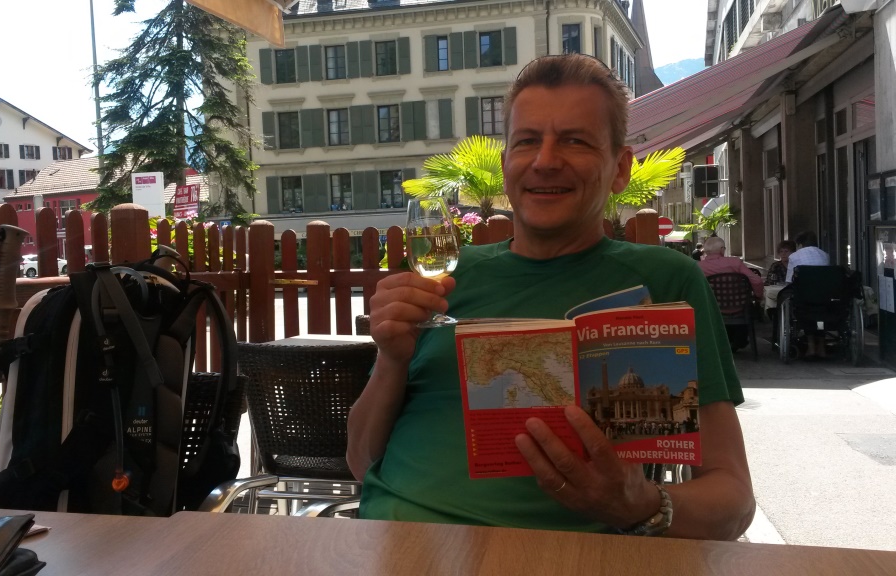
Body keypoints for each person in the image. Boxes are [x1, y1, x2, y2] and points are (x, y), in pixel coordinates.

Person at [347, 54, 755, 540]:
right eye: (526, 141)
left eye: (575, 140)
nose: (544, 161)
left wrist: (642, 504)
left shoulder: (665, 282)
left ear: (620, 168)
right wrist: (392, 360)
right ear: (506, 166)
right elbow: (360, 461)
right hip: (391, 544)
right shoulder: (444, 282)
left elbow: (733, 503)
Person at [697, 236, 764, 351]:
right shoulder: (735, 262)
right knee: (749, 307)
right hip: (740, 307)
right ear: (722, 249)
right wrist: (758, 297)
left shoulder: (699, 267)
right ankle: (739, 340)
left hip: (713, 309)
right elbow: (757, 281)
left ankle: (722, 342)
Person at [781, 231, 831, 358]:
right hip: (825, 298)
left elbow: (789, 282)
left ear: (800, 244)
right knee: (821, 313)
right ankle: (821, 346)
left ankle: (811, 346)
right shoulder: (825, 255)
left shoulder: (794, 256)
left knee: (802, 308)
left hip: (803, 299)